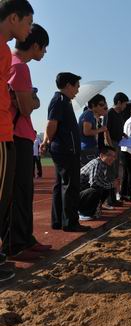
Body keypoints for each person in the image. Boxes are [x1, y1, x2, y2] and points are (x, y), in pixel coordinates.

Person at [2, 23, 52, 258]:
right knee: (20, 191)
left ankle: (24, 238)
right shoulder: (20, 67)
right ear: (35, 46)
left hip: (16, 134)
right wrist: (32, 99)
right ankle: (16, 243)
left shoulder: (11, 62)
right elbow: (27, 107)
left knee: (22, 191)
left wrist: (32, 98)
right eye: (44, 49)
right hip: (18, 135)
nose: (44, 54)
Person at [0, 0, 34, 282]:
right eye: (28, 22)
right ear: (14, 18)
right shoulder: (6, 54)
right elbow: (25, 106)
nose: (30, 29)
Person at [40, 72, 91, 233]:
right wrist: (47, 141)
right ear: (68, 85)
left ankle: (58, 221)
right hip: (65, 150)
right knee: (70, 185)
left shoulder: (64, 101)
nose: (78, 90)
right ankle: (70, 222)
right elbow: (51, 124)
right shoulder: (59, 100)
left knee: (60, 185)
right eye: (77, 86)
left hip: (65, 149)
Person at [103, 92, 128, 206]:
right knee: (110, 172)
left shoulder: (120, 115)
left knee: (115, 172)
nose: (125, 106)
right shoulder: (109, 113)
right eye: (124, 104)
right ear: (119, 102)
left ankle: (113, 198)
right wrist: (110, 147)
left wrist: (123, 134)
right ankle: (109, 200)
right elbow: (106, 130)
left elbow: (117, 128)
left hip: (118, 143)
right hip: (111, 144)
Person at [79, 146, 117, 221]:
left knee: (106, 189)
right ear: (102, 155)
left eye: (114, 156)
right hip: (76, 195)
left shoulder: (103, 164)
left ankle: (93, 210)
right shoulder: (96, 163)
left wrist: (111, 185)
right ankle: (84, 213)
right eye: (109, 155)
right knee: (96, 190)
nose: (112, 158)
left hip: (82, 192)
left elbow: (102, 182)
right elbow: (94, 183)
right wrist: (112, 185)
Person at [78, 94, 108, 166]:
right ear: (93, 105)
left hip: (88, 147)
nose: (103, 107)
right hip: (88, 148)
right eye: (101, 105)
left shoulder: (90, 114)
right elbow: (87, 132)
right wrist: (101, 129)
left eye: (104, 105)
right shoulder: (88, 114)